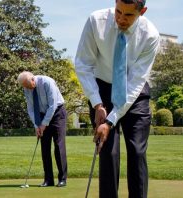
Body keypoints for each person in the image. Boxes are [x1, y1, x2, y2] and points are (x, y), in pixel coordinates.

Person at [75, 0, 159, 197]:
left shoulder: (150, 35)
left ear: (142, 11)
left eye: (128, 15)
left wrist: (111, 120)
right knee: (108, 152)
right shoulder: (96, 20)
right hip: (101, 89)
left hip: (134, 93)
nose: (121, 19)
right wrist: (97, 104)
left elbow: (136, 81)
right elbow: (83, 65)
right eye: (118, 11)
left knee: (137, 152)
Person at [17, 71, 68, 187]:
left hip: (57, 114)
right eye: (25, 87)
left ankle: (62, 179)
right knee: (45, 148)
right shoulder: (26, 88)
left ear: (32, 79)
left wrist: (44, 124)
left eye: (28, 86)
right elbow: (30, 109)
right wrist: (37, 125)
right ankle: (48, 180)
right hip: (40, 115)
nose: (28, 89)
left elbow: (53, 105)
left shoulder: (47, 82)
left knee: (58, 146)